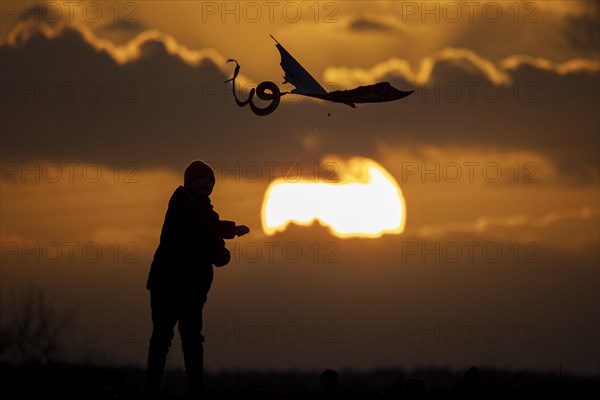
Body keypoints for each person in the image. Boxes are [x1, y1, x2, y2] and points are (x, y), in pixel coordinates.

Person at [141, 160, 250, 399]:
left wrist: (220, 253)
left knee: (191, 341)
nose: (208, 183)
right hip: (167, 285)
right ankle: (152, 391)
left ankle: (195, 392)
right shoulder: (181, 203)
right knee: (162, 338)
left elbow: (209, 243)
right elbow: (198, 229)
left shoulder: (207, 214)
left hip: (192, 289)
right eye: (202, 179)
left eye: (211, 181)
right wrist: (231, 231)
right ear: (189, 181)